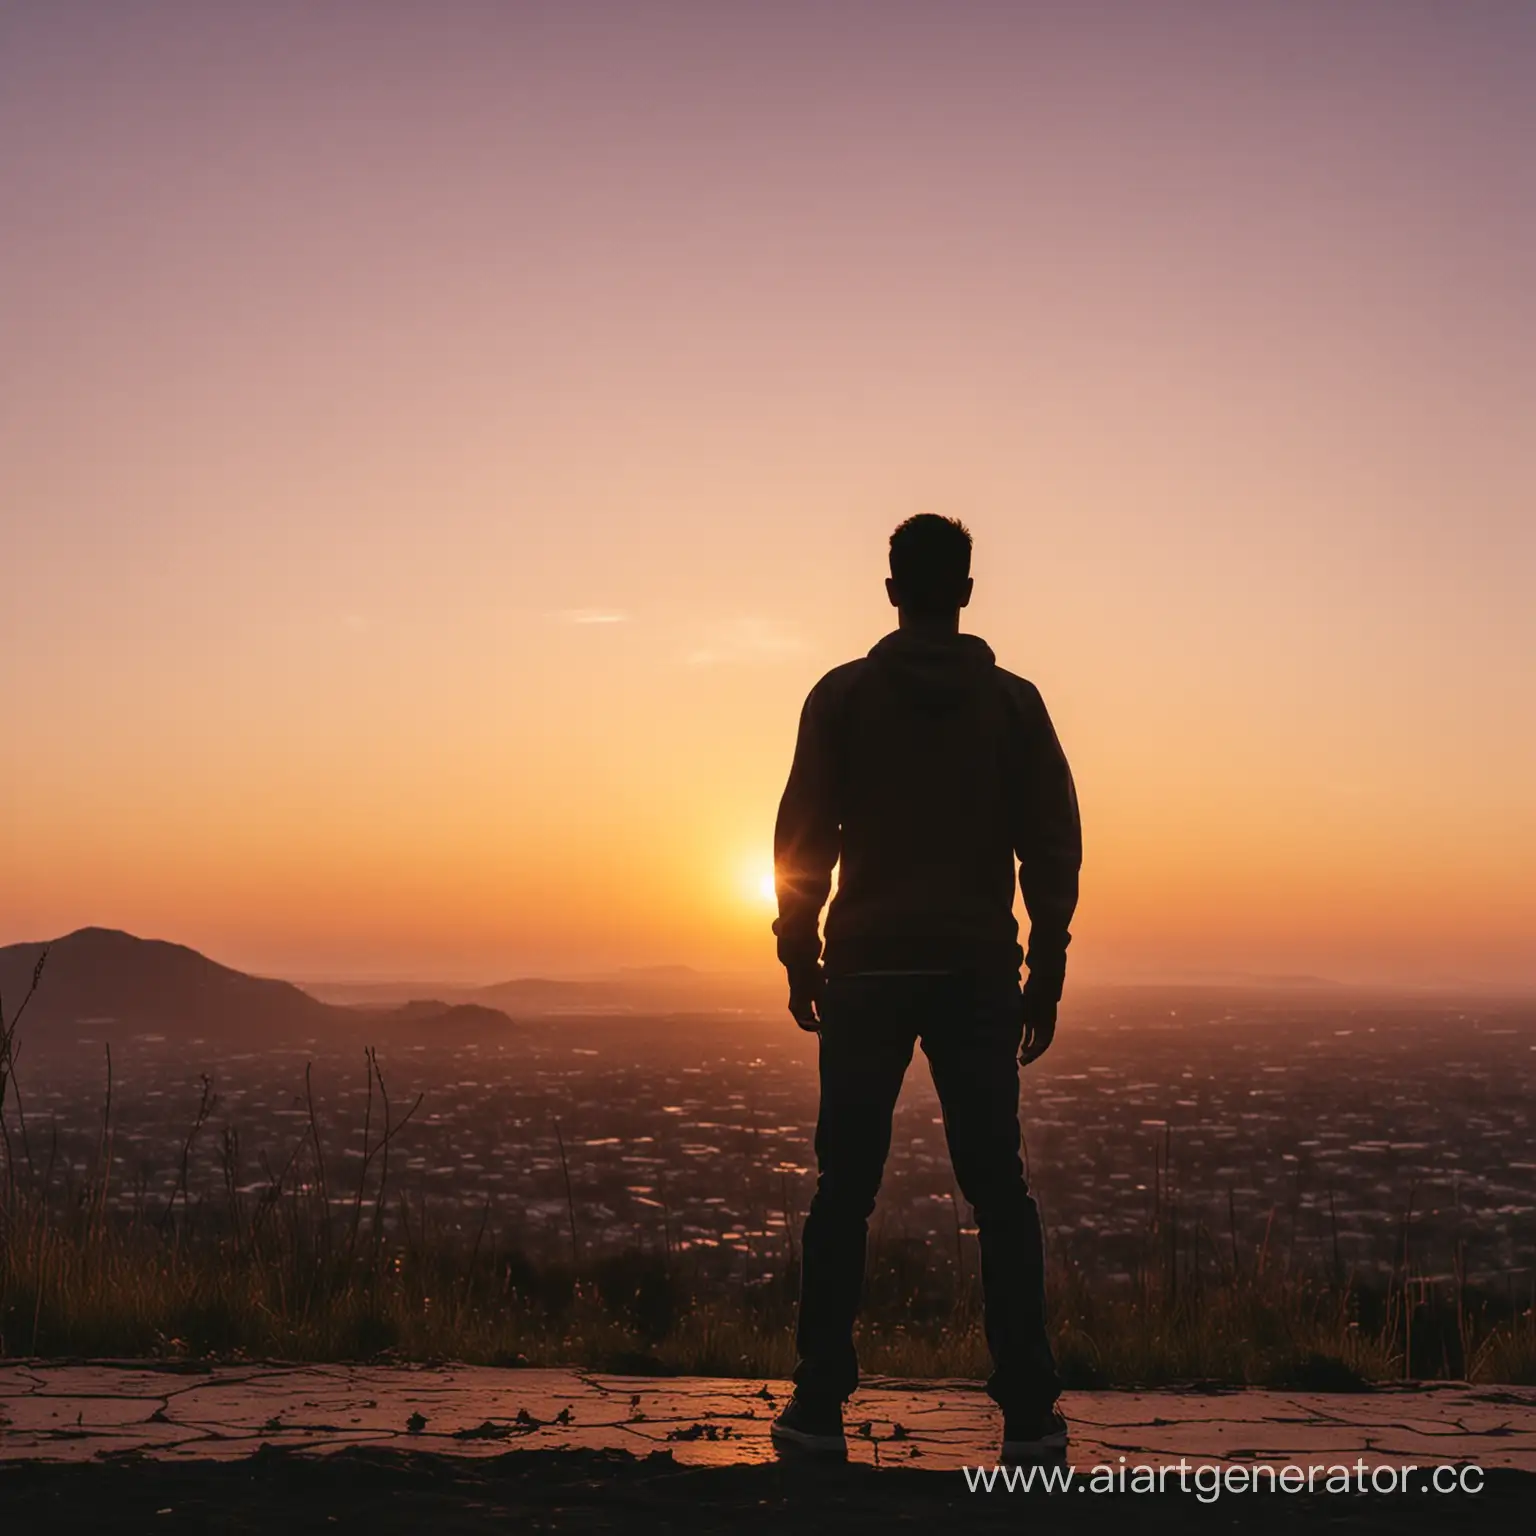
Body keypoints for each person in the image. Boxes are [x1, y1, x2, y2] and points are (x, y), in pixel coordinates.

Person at [768, 514, 1081, 1463]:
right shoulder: (1015, 706)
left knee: (843, 1188)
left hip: (867, 967)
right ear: (968, 591)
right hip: (978, 969)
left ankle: (820, 1404)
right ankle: (1026, 1413)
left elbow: (802, 835)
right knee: (1000, 1191)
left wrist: (798, 946)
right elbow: (1052, 843)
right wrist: (1048, 960)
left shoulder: (842, 698)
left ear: (893, 587)